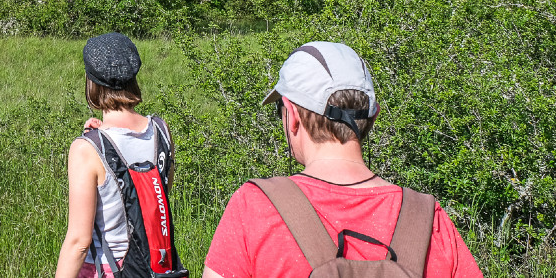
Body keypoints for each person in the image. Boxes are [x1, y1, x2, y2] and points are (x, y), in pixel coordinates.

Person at [202, 42, 483, 278]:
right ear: (373, 117)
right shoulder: (427, 218)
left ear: (293, 115)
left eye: (280, 110)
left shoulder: (254, 207)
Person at [56, 32, 185, 278]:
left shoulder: (87, 149)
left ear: (91, 82)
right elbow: (157, 197)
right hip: (156, 268)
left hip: (108, 269)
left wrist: (93, 141)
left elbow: (79, 242)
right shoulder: (161, 130)